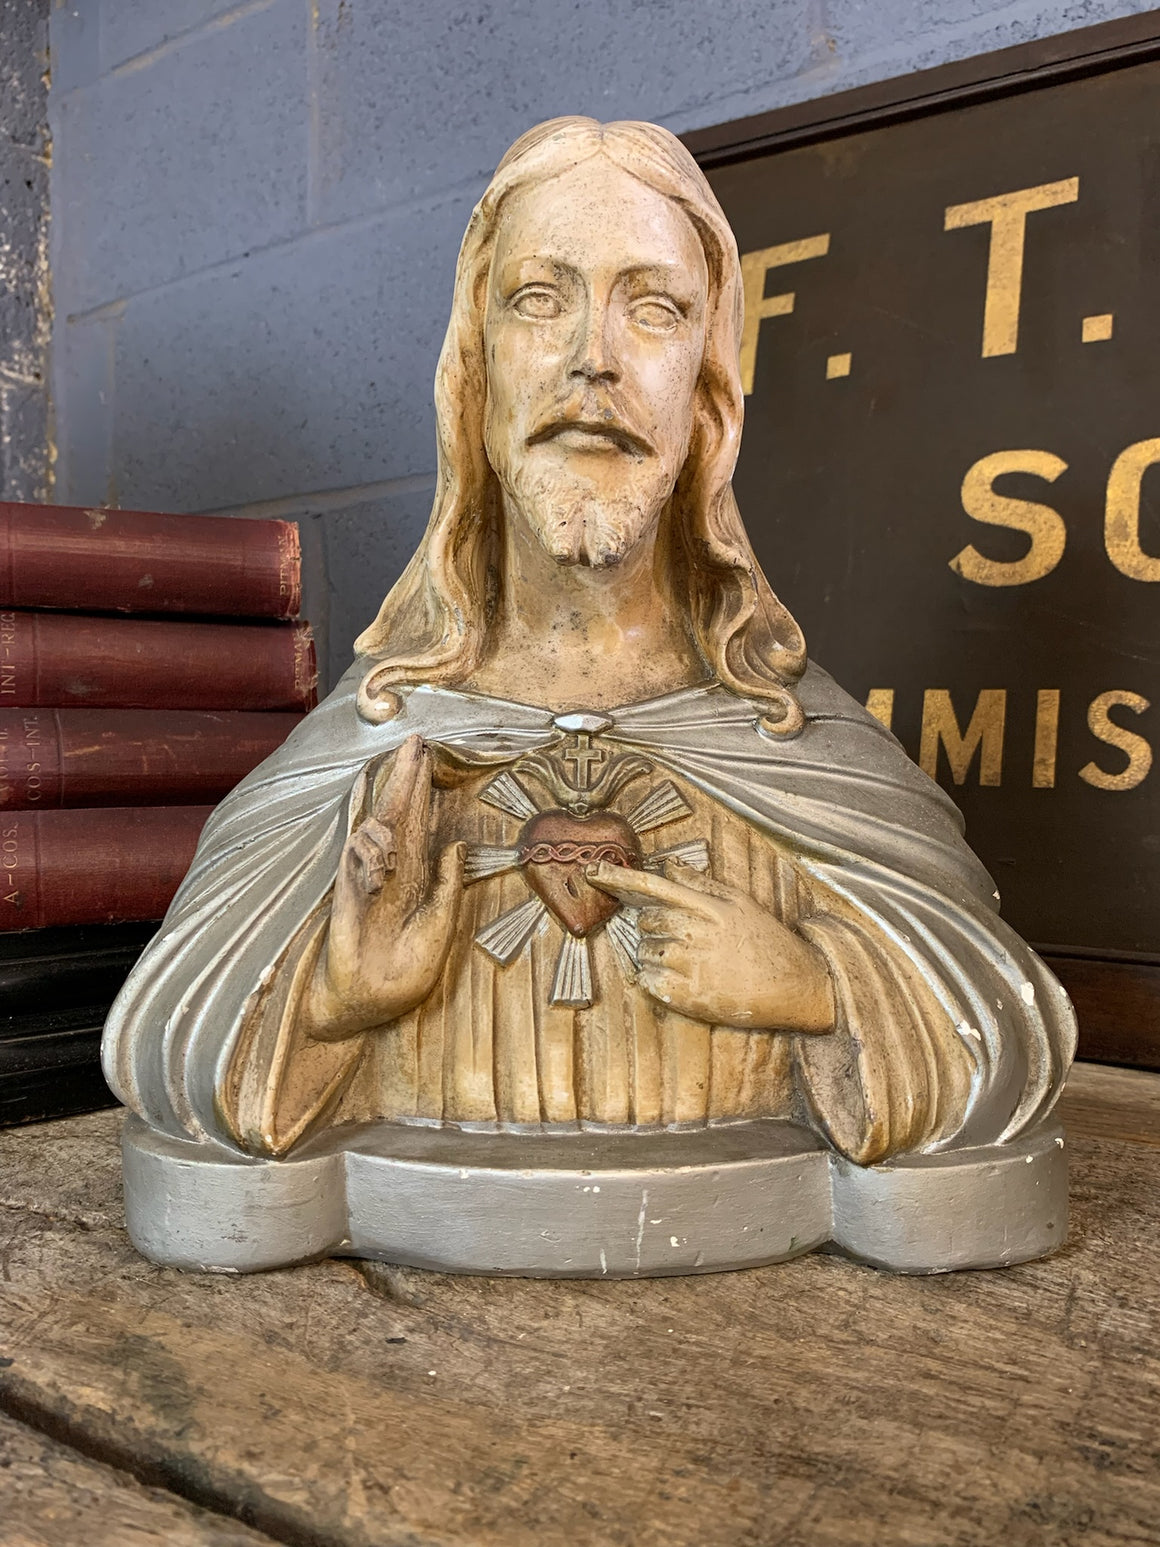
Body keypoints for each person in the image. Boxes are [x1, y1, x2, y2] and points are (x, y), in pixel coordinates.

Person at [104, 118, 1074, 1178]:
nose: (591, 360)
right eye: (538, 298)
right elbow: (156, 1046)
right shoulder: (378, 744)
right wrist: (337, 998)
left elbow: (1012, 1038)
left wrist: (812, 984)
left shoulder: (804, 747)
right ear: (474, 379)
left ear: (706, 399)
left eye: (651, 308)